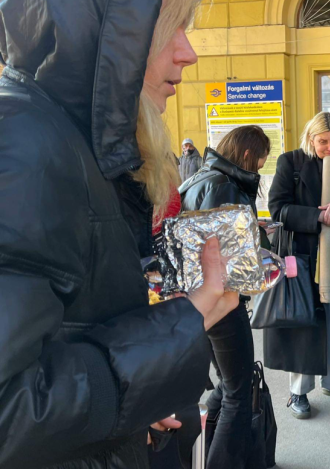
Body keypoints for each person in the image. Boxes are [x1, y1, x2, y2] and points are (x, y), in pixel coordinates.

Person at [0, 0, 240, 468]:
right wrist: (181, 324)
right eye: (169, 27)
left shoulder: (65, 137)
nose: (188, 53)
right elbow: (10, 410)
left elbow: (68, 341)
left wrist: (131, 405)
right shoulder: (26, 143)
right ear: (109, 36)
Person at [266, 111, 330, 419]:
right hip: (300, 257)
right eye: (323, 141)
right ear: (311, 140)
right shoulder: (291, 162)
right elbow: (278, 209)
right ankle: (298, 391)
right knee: (304, 323)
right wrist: (318, 215)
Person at [180, 125, 271, 467]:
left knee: (227, 385)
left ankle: (202, 452)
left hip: (198, 299)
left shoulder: (201, 178)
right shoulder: (225, 186)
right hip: (223, 301)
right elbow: (228, 258)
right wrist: (260, 247)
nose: (259, 168)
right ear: (247, 155)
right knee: (238, 391)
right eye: (260, 162)